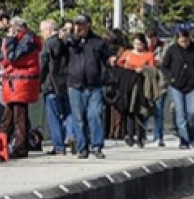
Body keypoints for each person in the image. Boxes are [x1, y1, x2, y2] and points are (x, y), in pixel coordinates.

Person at [66, 15, 112, 159]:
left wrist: (112, 60)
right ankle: (82, 148)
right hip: (75, 85)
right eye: (76, 25)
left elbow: (108, 56)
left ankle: (97, 146)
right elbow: (57, 52)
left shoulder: (97, 42)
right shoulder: (69, 42)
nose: (79, 28)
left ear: (88, 26)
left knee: (95, 115)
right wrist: (69, 36)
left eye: (82, 25)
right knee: (78, 118)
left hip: (94, 85)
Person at [1, 17, 42, 158]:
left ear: (17, 28)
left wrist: (9, 40)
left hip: (20, 84)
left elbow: (12, 58)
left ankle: (20, 148)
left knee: (19, 118)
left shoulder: (27, 41)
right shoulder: (24, 40)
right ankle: (4, 146)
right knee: (8, 118)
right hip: (14, 84)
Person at [161, 29, 194, 149]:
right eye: (181, 41)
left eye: (186, 41)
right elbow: (164, 66)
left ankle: (191, 136)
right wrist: (171, 78)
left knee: (192, 111)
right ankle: (184, 140)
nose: (184, 44)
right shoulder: (172, 50)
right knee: (180, 114)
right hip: (177, 86)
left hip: (192, 85)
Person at [117, 33, 157, 147]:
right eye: (135, 43)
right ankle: (129, 135)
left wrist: (143, 68)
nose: (137, 46)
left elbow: (153, 69)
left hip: (142, 84)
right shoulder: (128, 53)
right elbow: (120, 64)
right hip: (129, 83)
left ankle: (140, 136)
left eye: (139, 44)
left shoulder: (149, 55)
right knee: (129, 109)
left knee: (140, 110)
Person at [39, 19, 72, 155]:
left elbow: (43, 66)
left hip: (51, 84)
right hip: (67, 83)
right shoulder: (67, 43)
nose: (42, 35)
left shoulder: (48, 44)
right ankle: (71, 135)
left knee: (54, 117)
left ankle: (59, 146)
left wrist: (39, 82)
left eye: (42, 31)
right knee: (68, 113)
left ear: (48, 30)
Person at [145, 28, 168, 147]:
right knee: (145, 110)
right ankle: (142, 135)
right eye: (148, 39)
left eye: (152, 39)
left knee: (158, 110)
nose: (150, 42)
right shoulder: (143, 49)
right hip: (146, 84)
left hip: (160, 83)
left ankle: (158, 136)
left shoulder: (164, 48)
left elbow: (167, 62)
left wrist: (159, 62)